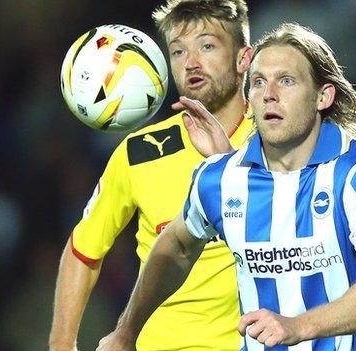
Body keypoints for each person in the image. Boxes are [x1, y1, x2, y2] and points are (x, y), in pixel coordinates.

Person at [97, 23, 356, 351]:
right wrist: (126, 331)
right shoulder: (221, 180)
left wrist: (299, 326)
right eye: (259, 82)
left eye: (286, 80)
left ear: (323, 96)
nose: (269, 94)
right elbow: (175, 246)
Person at [48, 1, 255, 350]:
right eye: (177, 51)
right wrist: (61, 344)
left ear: (243, 58)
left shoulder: (277, 140)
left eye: (207, 46)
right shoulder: (139, 152)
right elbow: (83, 251)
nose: (191, 63)